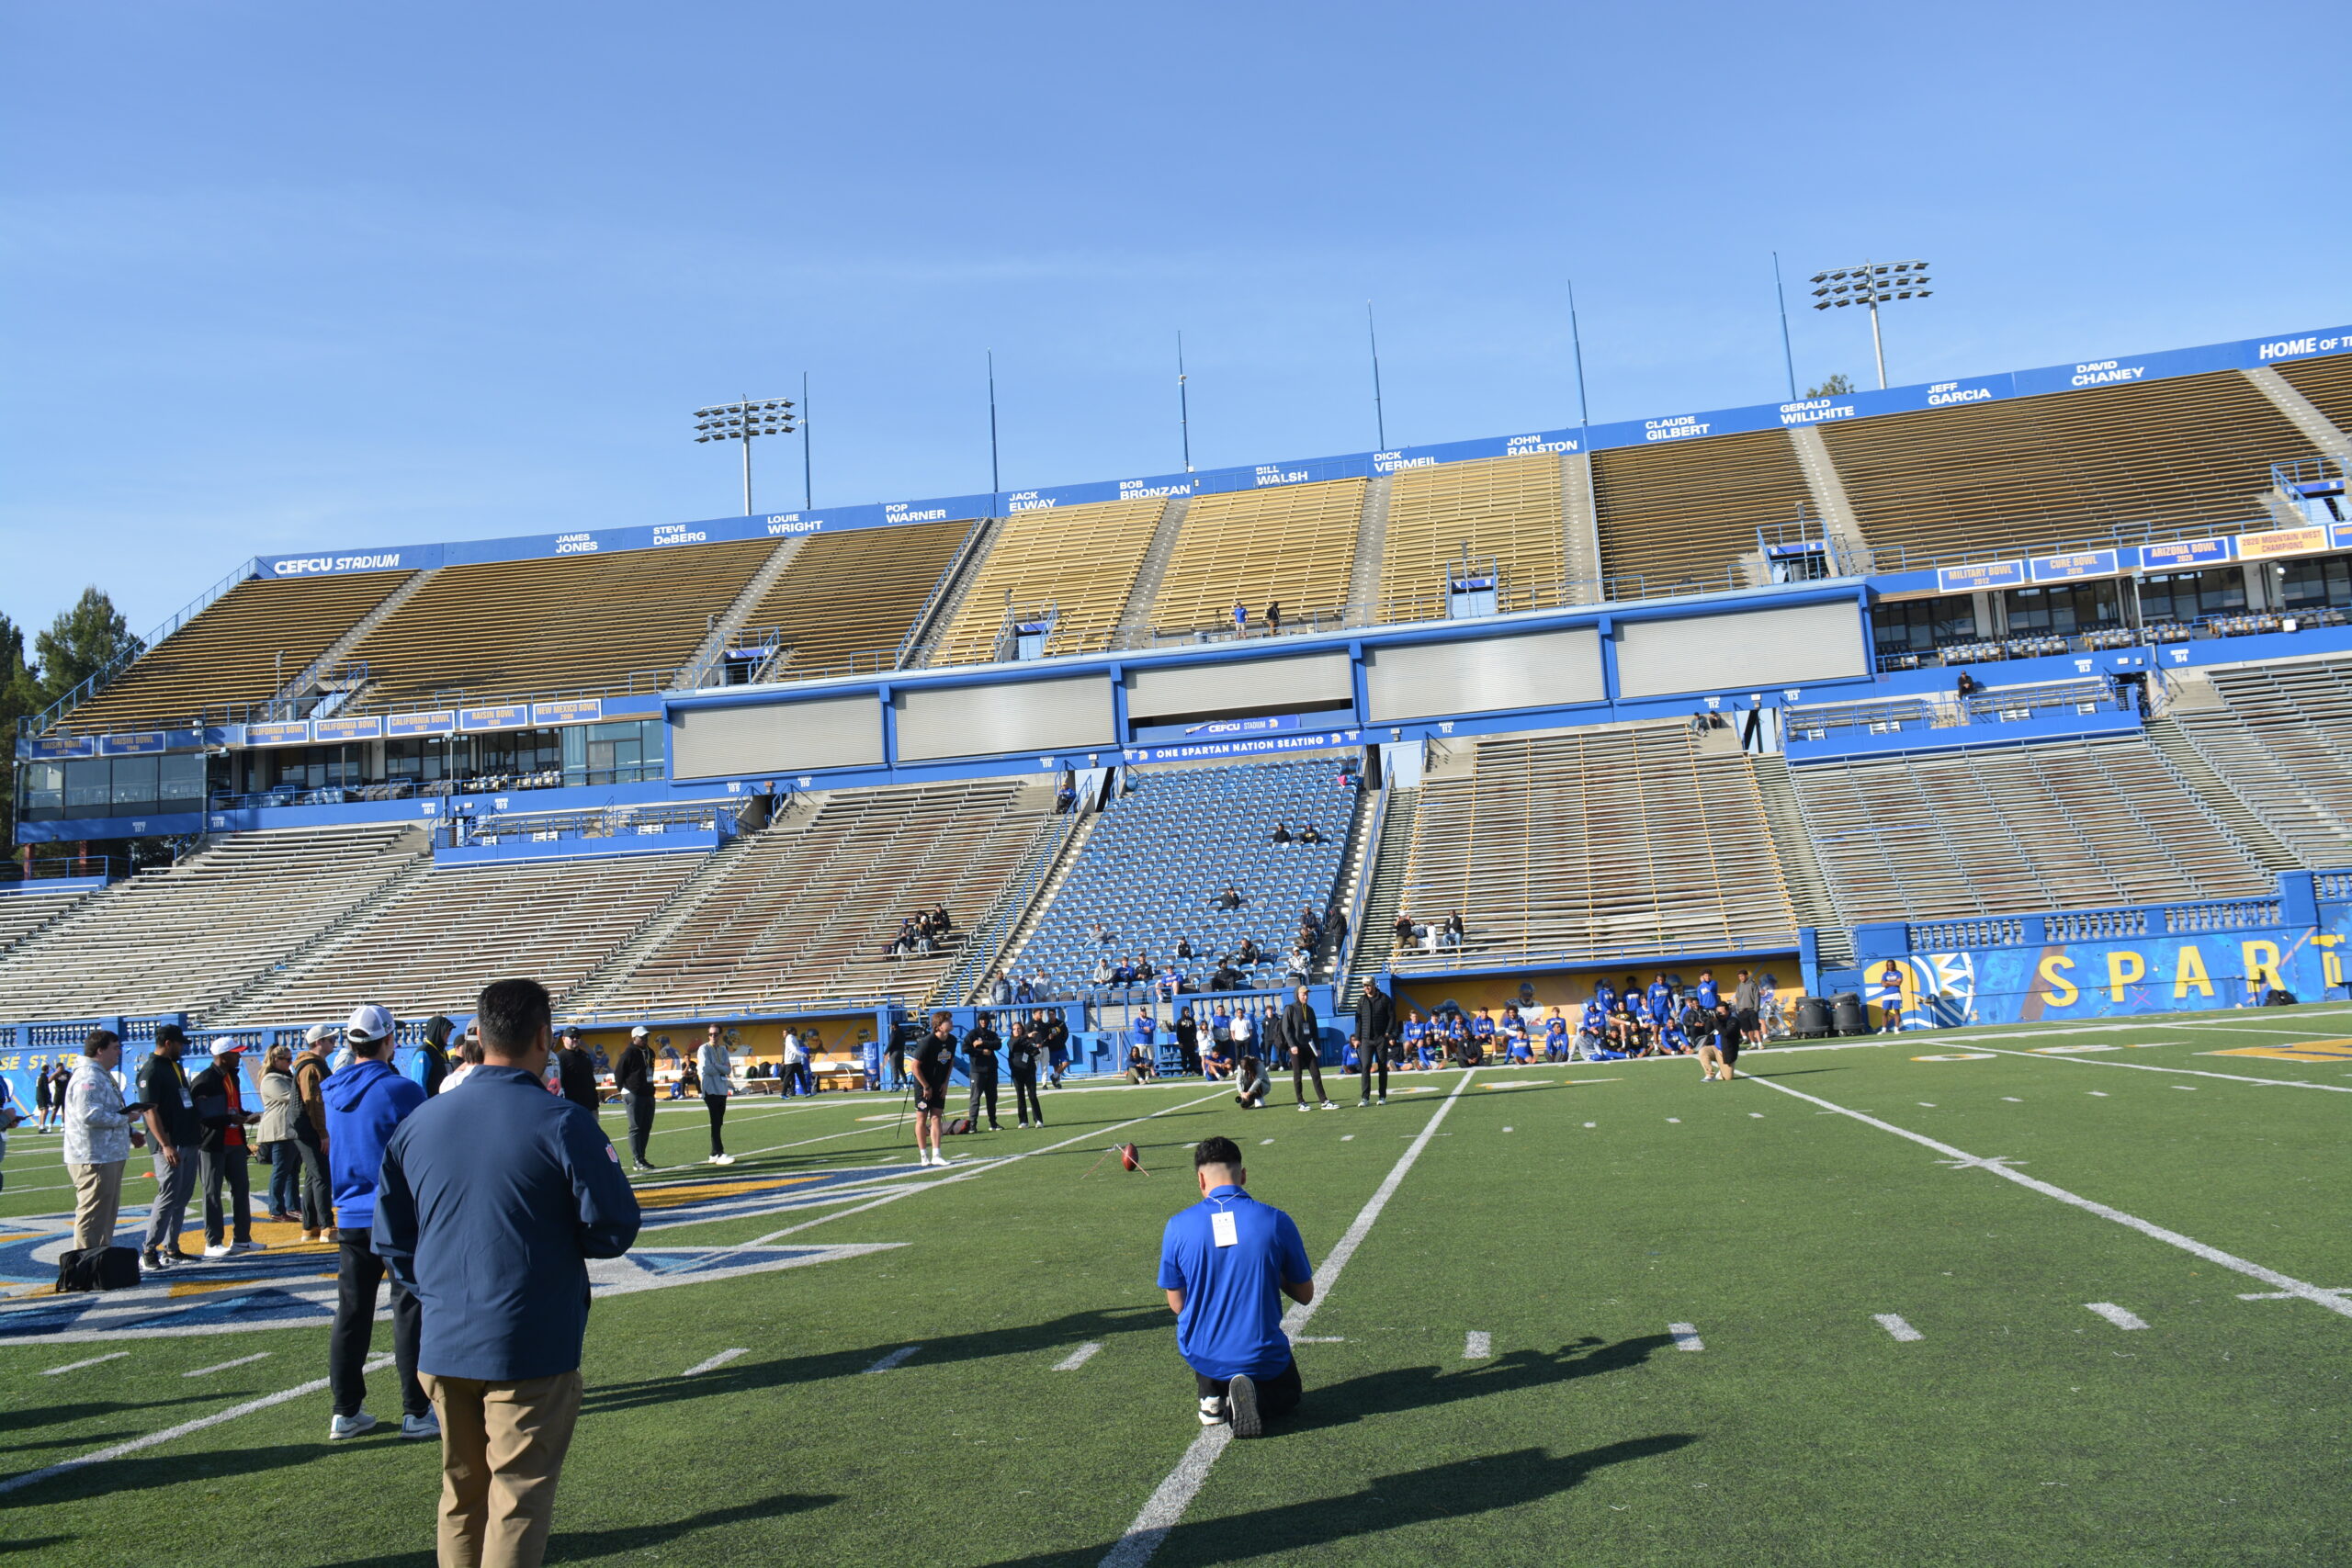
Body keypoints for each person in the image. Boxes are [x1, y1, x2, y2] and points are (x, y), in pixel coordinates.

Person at [375, 977, 641, 1568]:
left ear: (482, 1034)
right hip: (528, 1340)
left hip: (442, 1340)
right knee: (517, 1498)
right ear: (543, 1037)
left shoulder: (420, 1121)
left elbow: (392, 1241)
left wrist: (441, 1290)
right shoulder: (562, 1120)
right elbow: (614, 1227)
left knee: (461, 1495)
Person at [322, 1003, 435, 1442]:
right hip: (394, 1211)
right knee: (409, 1307)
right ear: (388, 1039)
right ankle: (416, 1410)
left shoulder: (333, 1087)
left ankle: (345, 1410)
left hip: (351, 1213)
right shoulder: (399, 1090)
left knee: (352, 1312)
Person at [1157, 1135, 1313, 1438]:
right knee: (1289, 1396)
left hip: (1204, 1354)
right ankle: (1255, 1398)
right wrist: (1273, 1270)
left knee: (1201, 1330)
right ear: (1243, 1175)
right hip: (1260, 1354)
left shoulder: (1177, 1226)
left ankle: (1211, 1396)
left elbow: (1177, 1304)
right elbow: (1305, 1295)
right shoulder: (1276, 1220)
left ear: (1201, 1179)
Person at [63, 1029, 142, 1256]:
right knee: (93, 1214)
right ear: (100, 1050)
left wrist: (130, 1131)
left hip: (107, 1153)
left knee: (105, 1214)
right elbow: (89, 1115)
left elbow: (108, 1109)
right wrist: (125, 1119)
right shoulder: (88, 1077)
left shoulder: (100, 1074)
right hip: (94, 1155)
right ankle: (86, 1262)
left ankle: (100, 1259)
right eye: (115, 1048)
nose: (119, 1053)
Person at [138, 1023, 202, 1269]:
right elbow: (149, 1111)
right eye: (179, 1044)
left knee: (182, 1196)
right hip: (170, 1142)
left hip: (187, 1138)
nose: (182, 1048)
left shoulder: (173, 1066)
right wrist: (165, 1144)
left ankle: (172, 1247)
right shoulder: (151, 1070)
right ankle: (148, 1249)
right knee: (167, 1195)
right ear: (168, 1043)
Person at [189, 1042, 262, 1258]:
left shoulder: (232, 1076)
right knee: (212, 1192)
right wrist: (229, 1119)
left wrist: (245, 1116)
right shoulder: (204, 1080)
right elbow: (202, 1115)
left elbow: (232, 1107)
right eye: (235, 1054)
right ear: (222, 1056)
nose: (239, 1057)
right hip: (213, 1143)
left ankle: (242, 1238)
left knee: (241, 1189)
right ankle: (213, 1242)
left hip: (236, 1141)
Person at [288, 1023, 335, 1241]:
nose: (334, 1042)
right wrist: (323, 1133)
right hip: (309, 1128)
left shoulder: (314, 1064)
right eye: (330, 1039)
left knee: (312, 1175)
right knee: (322, 1175)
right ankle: (326, 1226)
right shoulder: (311, 1067)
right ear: (319, 1042)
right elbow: (314, 1103)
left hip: (305, 1128)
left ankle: (310, 1226)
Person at [257, 1043, 302, 1223]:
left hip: (290, 1130)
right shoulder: (271, 1079)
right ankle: (276, 1209)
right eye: (287, 1060)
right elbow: (292, 1097)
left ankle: (293, 1206)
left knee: (293, 1171)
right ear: (276, 1060)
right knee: (281, 1170)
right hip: (279, 1130)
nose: (290, 1063)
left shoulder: (286, 1077)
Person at [910, 1012, 957, 1168]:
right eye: (947, 1021)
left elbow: (950, 1062)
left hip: (939, 1084)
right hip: (923, 1086)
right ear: (938, 1026)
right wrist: (926, 1086)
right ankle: (923, 1155)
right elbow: (914, 1067)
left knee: (936, 1117)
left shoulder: (952, 1040)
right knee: (921, 1118)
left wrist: (945, 1083)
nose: (951, 1022)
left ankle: (937, 1155)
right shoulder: (928, 1042)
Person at [1280, 987, 1334, 1111]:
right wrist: (1292, 1045)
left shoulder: (1310, 1010)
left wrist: (1318, 1047)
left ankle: (1324, 1101)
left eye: (1307, 994)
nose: (1305, 996)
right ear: (1297, 995)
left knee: (1316, 1073)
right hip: (1296, 1047)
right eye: (1303, 994)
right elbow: (1285, 1029)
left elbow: (1314, 1030)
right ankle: (1301, 1102)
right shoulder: (1290, 1008)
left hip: (1309, 1046)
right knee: (1298, 1074)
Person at [616, 1025, 659, 1171]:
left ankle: (642, 1157)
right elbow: (619, 1073)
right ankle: (637, 1159)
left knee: (646, 1126)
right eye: (642, 1037)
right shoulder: (629, 1053)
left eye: (647, 1036)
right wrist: (624, 1090)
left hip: (648, 1093)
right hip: (634, 1093)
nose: (645, 1039)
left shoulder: (650, 1052)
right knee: (635, 1127)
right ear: (634, 1038)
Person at [697, 1024, 736, 1166]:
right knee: (715, 1121)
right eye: (710, 1034)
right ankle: (719, 1152)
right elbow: (706, 1069)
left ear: (720, 1035)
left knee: (719, 1122)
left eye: (715, 1034)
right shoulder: (704, 1049)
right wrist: (720, 1068)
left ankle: (713, 1154)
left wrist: (716, 1066)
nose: (713, 1036)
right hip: (710, 1089)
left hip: (721, 1089)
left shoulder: (723, 1049)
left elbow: (728, 1070)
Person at [1354, 978, 1396, 1106]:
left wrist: (1388, 1033)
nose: (1366, 987)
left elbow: (1392, 1017)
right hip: (1366, 1039)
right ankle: (1365, 1098)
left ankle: (1382, 1096)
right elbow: (1358, 1021)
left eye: (1368, 985)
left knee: (1382, 1066)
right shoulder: (1361, 1000)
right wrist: (1357, 1038)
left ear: (1373, 985)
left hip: (1380, 1039)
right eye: (1364, 985)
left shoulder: (1384, 998)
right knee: (1365, 1067)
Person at [965, 1014, 1003, 1130]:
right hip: (977, 1071)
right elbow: (965, 1048)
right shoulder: (972, 1034)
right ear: (978, 1021)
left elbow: (998, 1044)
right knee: (975, 1099)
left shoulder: (991, 1034)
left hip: (991, 1070)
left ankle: (993, 1123)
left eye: (985, 1019)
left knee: (992, 1098)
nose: (983, 1022)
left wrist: (982, 1043)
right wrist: (981, 1052)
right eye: (981, 1020)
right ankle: (972, 1125)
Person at [1006, 1019, 1045, 1128]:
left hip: (1029, 1070)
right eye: (1014, 1029)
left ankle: (1038, 1120)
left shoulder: (1027, 1041)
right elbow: (1014, 1045)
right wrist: (1027, 1036)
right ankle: (1023, 1121)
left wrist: (1035, 1048)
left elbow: (1034, 1052)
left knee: (1032, 1095)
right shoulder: (1010, 1041)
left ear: (1022, 1030)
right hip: (1017, 1072)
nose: (1017, 1030)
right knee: (1020, 1096)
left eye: (1019, 1029)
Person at [555, 1027, 600, 1117]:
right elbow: (559, 1083)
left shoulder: (585, 1055)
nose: (575, 1039)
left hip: (590, 1105)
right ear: (563, 1039)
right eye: (572, 1037)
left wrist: (595, 1101)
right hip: (571, 1106)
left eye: (578, 1037)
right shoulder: (559, 1057)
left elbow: (590, 1079)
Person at [415, 1014, 455, 1097]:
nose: (449, 1034)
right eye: (447, 1032)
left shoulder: (443, 1052)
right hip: (431, 1102)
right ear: (438, 1032)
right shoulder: (424, 1053)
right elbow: (419, 1083)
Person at [1876, 963, 1905, 1033]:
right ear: (1887, 966)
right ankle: (1884, 1029)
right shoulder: (1885, 974)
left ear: (1894, 965)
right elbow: (1883, 984)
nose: (1890, 966)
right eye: (1888, 965)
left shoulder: (1898, 973)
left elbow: (1898, 983)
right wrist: (1894, 982)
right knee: (1885, 1012)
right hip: (1887, 994)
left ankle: (1896, 1029)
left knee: (1897, 1011)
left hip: (1896, 993)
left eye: (1891, 965)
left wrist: (1888, 982)